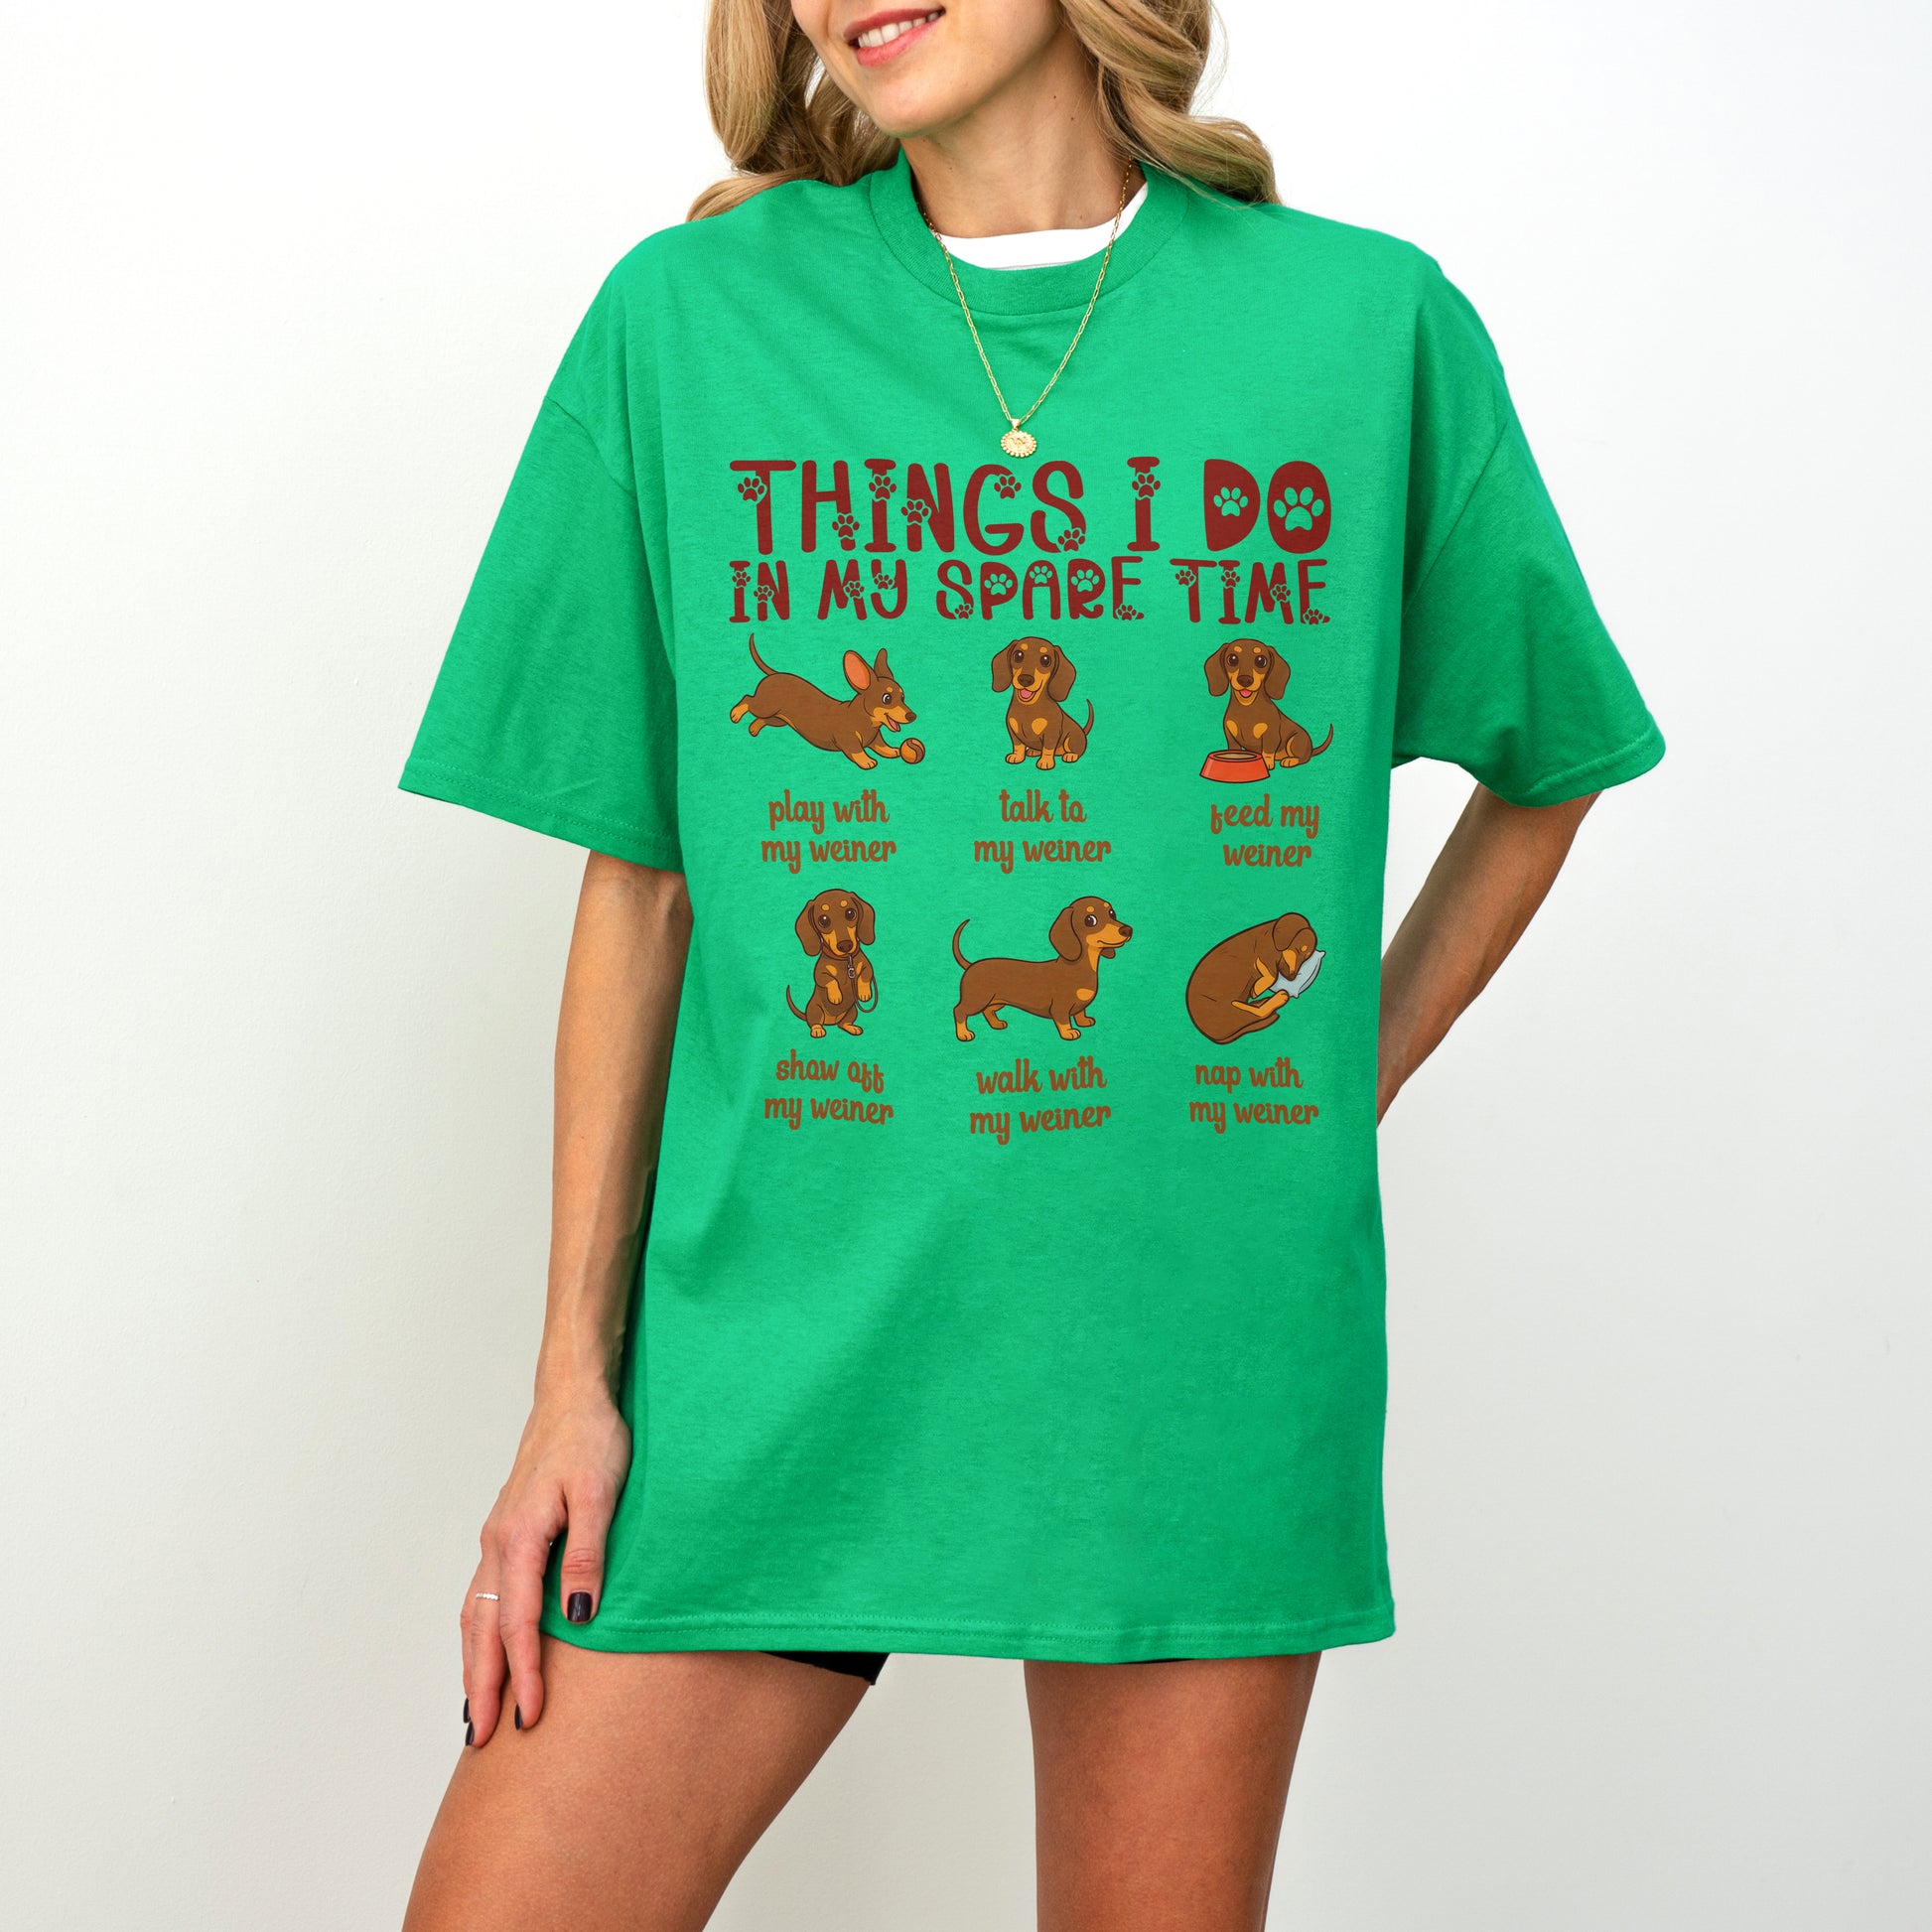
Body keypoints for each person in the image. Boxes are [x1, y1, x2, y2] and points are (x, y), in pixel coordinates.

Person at [397, 2, 1664, 1926]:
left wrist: (1344, 1069)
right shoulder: (690, 322)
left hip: (1184, 1352)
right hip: (771, 1354)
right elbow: (640, 881)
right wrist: (569, 1384)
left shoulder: (1362, 327)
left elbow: (1549, 759)